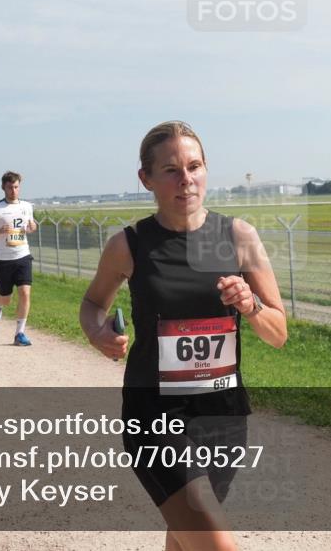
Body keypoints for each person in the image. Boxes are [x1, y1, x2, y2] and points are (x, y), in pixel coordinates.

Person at [80, 121, 287, 551]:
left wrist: (250, 305)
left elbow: (279, 333)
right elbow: (93, 304)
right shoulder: (129, 244)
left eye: (194, 166)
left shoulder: (237, 236)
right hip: (154, 416)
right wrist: (98, 332)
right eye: (171, 170)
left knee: (187, 539)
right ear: (147, 179)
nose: (186, 179)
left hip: (223, 418)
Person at [0, 171, 37, 346]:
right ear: (3, 187)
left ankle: (19, 333)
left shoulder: (27, 206)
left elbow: (30, 226)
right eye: (10, 187)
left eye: (16, 187)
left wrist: (32, 227)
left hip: (23, 256)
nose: (13, 190)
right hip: (2, 260)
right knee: (6, 297)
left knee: (25, 293)